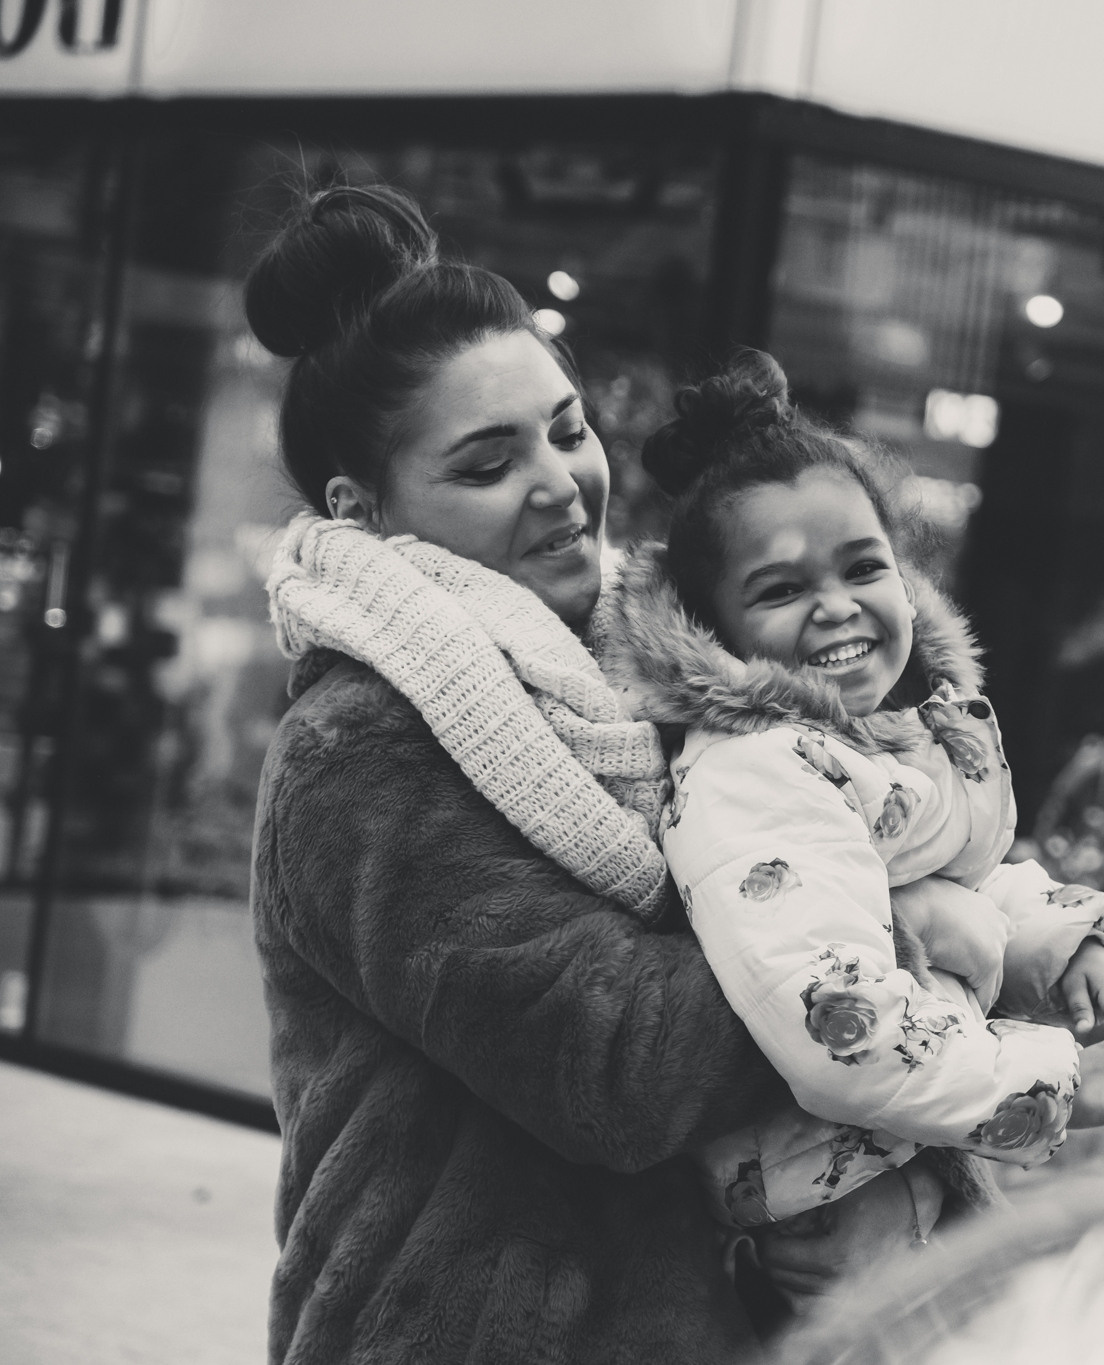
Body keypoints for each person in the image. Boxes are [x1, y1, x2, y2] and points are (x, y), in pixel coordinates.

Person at [246, 183, 787, 1365]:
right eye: (489, 463)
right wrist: (875, 939)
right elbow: (617, 1066)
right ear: (364, 508)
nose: (560, 482)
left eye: (566, 428)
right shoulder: (360, 752)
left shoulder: (649, 675)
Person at [593, 350, 1104, 1318]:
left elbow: (961, 879)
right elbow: (838, 1030)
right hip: (840, 1197)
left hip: (910, 1151)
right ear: (711, 628)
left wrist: (1060, 936)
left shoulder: (892, 738)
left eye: (861, 566)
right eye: (778, 589)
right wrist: (1058, 1082)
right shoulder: (757, 774)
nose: (835, 605)